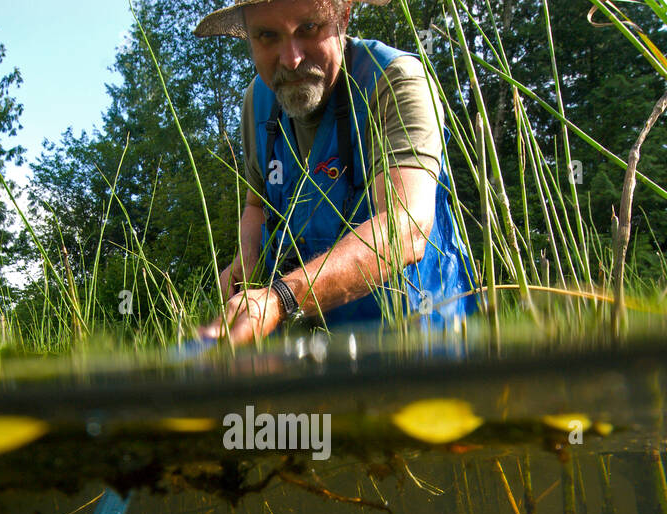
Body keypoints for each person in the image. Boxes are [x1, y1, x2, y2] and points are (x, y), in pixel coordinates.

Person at [194, 0, 477, 344]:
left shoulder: (394, 80)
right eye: (268, 36)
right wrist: (248, 258)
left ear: (343, 17)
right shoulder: (259, 100)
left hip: (419, 341)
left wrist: (280, 298)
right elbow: (257, 205)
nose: (291, 58)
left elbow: (406, 227)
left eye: (308, 29)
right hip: (312, 351)